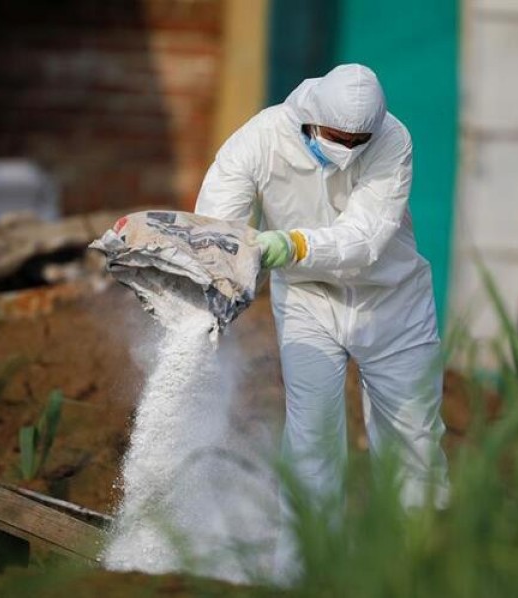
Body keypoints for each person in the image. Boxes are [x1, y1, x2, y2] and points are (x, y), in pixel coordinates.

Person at [194, 63, 449, 570]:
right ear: (310, 118)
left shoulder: (392, 139)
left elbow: (366, 239)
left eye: (359, 141)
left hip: (392, 301)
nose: (348, 148)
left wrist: (289, 244)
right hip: (308, 299)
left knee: (414, 442)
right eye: (338, 138)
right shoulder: (260, 140)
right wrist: (215, 289)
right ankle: (304, 571)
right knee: (312, 442)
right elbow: (217, 227)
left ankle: (415, 571)